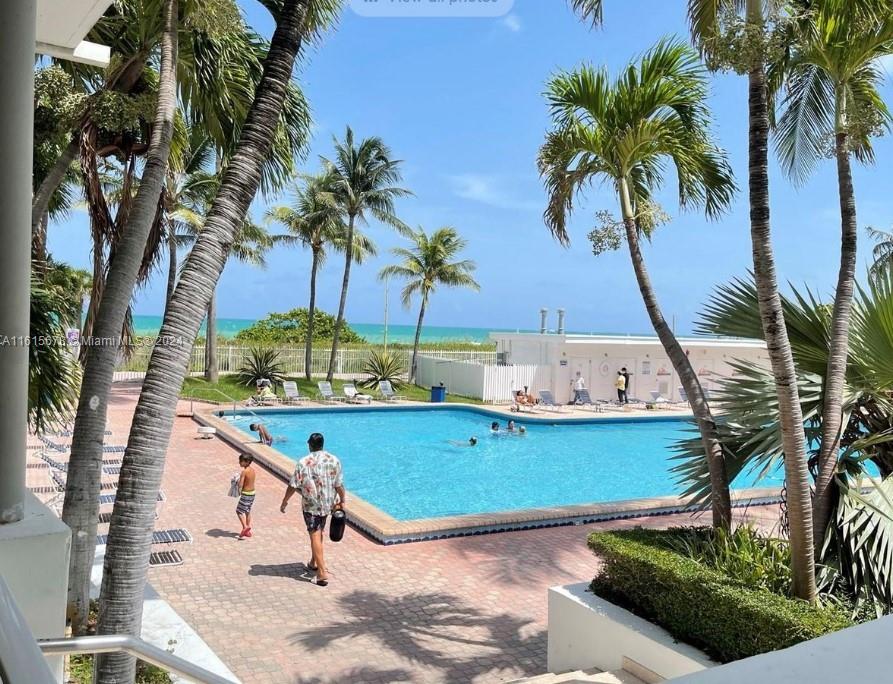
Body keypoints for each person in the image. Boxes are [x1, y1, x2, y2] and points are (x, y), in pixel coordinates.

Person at [280, 433, 345, 587]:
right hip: (328, 504)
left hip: (311, 505)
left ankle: (322, 573)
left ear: (310, 445)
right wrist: (342, 500)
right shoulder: (334, 460)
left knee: (315, 535)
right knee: (319, 532)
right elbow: (339, 485)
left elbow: (293, 484)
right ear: (322, 444)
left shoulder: (304, 462)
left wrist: (284, 501)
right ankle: (313, 562)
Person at [235, 454, 256, 540]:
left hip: (246, 494)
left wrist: (237, 484)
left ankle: (245, 527)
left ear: (247, 462)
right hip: (252, 493)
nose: (239, 462)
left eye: (241, 461)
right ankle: (247, 530)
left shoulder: (244, 472)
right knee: (247, 511)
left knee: (239, 511)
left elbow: (241, 484)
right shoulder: (252, 470)